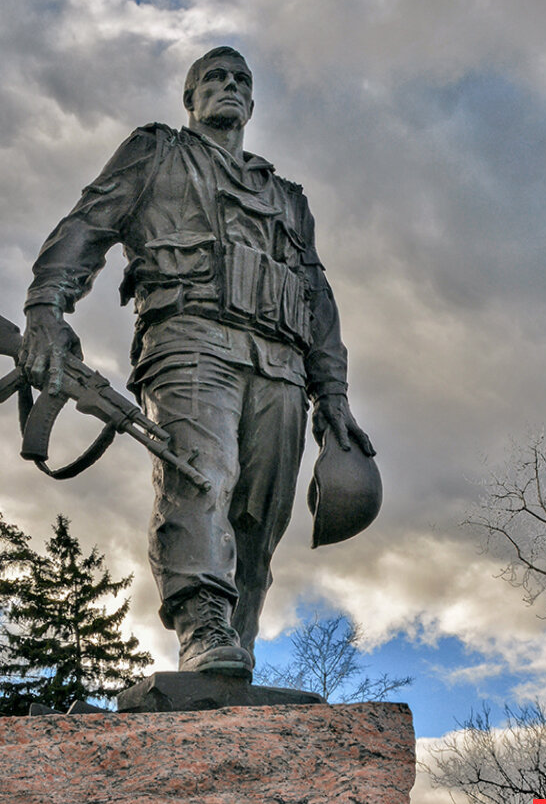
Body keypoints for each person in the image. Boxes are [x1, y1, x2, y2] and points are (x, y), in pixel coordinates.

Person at [20, 46, 374, 680]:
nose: (229, 86)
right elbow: (88, 223)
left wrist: (335, 397)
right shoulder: (156, 153)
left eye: (241, 80)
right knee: (202, 476)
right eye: (214, 78)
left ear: (253, 102)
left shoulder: (288, 199)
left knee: (260, 522)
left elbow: (318, 297)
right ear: (191, 98)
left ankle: (231, 654)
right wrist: (48, 304)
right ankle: (201, 627)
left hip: (281, 365)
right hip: (190, 340)